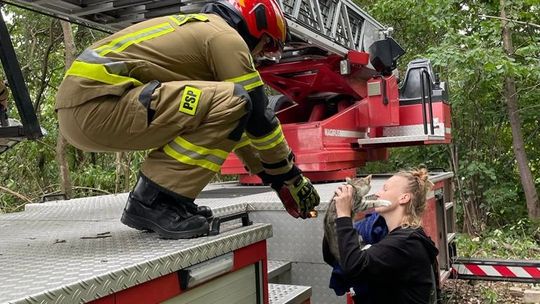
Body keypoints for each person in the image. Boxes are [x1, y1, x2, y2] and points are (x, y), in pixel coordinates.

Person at [55, 0, 320, 239]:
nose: (261, 54)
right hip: (98, 104)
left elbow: (234, 121)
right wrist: (292, 177)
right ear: (256, 24)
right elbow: (259, 119)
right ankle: (155, 202)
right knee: (238, 98)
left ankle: (160, 200)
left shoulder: (200, 32)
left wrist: (274, 179)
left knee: (233, 102)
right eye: (267, 44)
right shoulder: (225, 37)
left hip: (87, 110)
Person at [324, 168, 439, 304]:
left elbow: (354, 266)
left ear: (404, 198)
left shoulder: (406, 242)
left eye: (385, 189)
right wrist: (334, 217)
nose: (377, 193)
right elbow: (335, 257)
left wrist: (344, 215)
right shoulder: (390, 237)